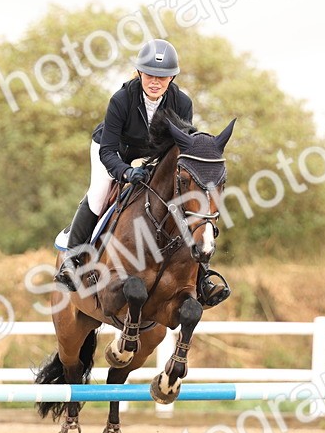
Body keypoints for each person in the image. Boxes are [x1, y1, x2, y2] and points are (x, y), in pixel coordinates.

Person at [54, 39, 230, 307]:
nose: (155, 81)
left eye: (162, 76)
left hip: (154, 157)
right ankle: (72, 259)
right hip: (114, 152)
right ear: (139, 73)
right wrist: (125, 173)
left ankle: (201, 276)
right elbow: (108, 151)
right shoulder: (122, 99)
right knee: (99, 195)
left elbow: (180, 150)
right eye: (149, 74)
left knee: (185, 202)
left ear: (172, 77)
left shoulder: (182, 103)